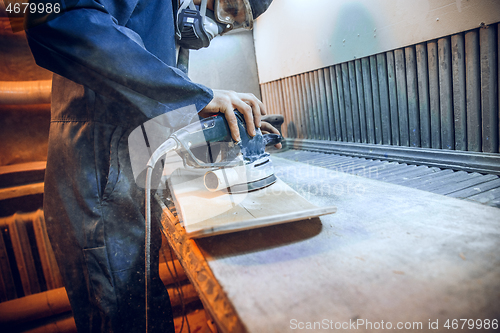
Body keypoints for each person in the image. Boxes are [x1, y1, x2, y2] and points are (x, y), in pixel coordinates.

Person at [24, 0, 278, 332]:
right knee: (123, 320)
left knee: (146, 312)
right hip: (98, 190)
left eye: (236, 21)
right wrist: (192, 97)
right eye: (228, 7)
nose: (221, 25)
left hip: (124, 192)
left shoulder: (164, 19)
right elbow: (57, 18)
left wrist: (213, 132)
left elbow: (141, 107)